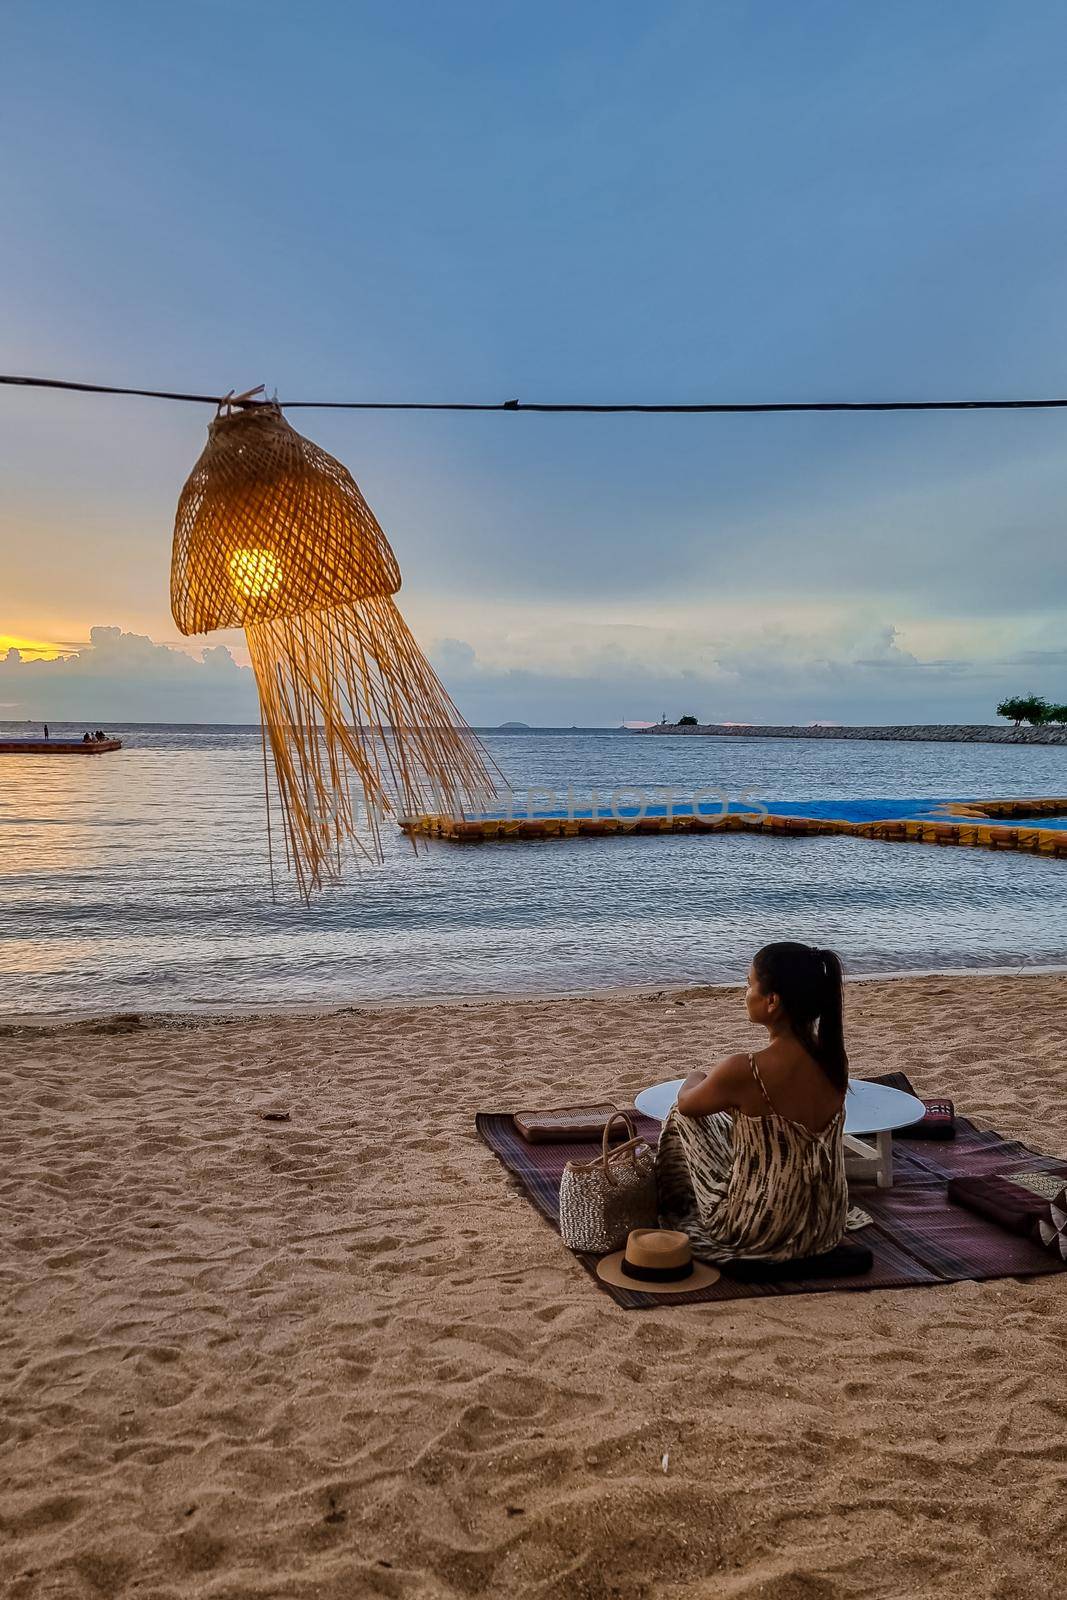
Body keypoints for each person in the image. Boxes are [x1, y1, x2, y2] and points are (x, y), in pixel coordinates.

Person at [655, 942, 849, 1262]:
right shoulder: (833, 1059)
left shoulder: (746, 1070)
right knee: (737, 1122)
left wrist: (696, 1075)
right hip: (824, 1223)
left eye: (748, 984)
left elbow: (688, 1104)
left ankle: (672, 1201)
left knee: (679, 1115)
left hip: (760, 1226)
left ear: (772, 1001)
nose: (744, 992)